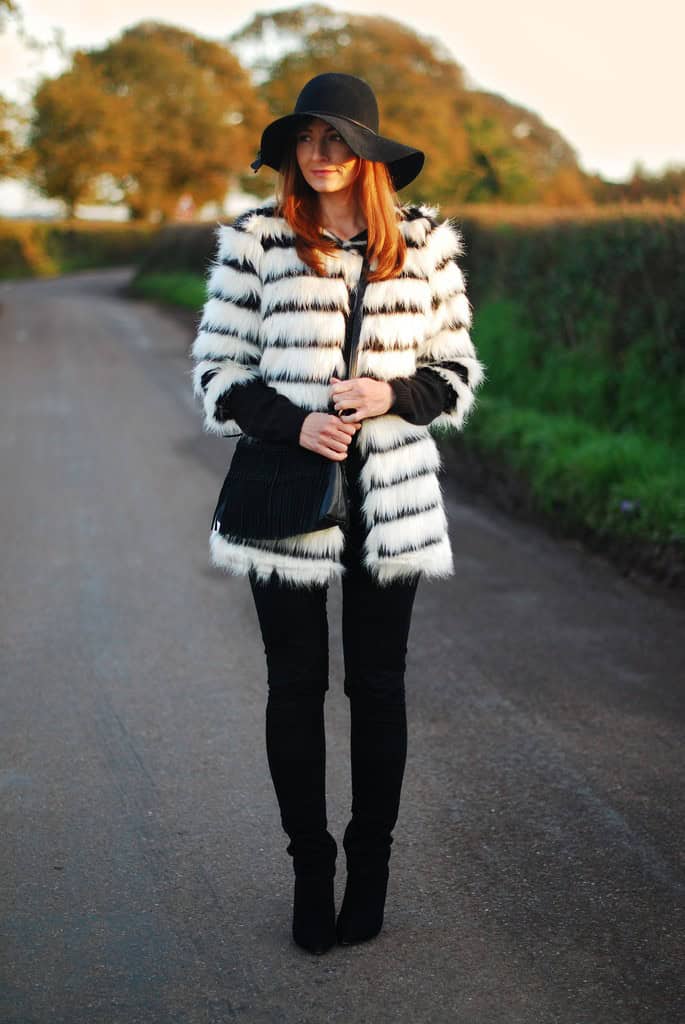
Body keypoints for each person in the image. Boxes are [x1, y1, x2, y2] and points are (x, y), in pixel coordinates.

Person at [190, 73, 486, 955]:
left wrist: (390, 392)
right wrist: (296, 419)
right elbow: (217, 373)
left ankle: (372, 870)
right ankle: (309, 873)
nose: (319, 156)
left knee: (378, 686)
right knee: (293, 685)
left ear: (367, 152)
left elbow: (456, 374)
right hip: (286, 494)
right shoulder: (257, 241)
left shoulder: (425, 247)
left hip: (389, 501)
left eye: (336, 139)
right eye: (306, 140)